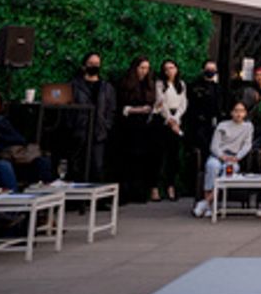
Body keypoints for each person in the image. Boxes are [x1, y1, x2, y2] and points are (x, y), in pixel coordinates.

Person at [0, 87, 52, 185]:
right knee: (6, 166)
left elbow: (20, 139)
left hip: (14, 155)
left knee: (42, 161)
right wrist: (4, 143)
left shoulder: (2, 120)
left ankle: (45, 191)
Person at [193, 101, 254, 218]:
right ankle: (209, 206)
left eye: (242, 111)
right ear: (231, 112)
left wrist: (237, 157)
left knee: (228, 171)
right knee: (212, 167)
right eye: (236, 111)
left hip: (234, 158)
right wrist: (222, 156)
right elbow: (214, 146)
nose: (239, 114)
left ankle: (205, 203)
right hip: (218, 156)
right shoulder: (222, 125)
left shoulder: (248, 127)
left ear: (245, 113)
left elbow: (247, 146)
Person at [116, 57, 157, 203]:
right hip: (128, 126)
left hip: (144, 127)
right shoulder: (125, 84)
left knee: (141, 161)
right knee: (127, 160)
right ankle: (124, 193)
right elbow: (121, 107)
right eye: (142, 68)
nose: (144, 71)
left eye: (147, 68)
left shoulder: (149, 84)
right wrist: (138, 109)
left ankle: (138, 192)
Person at [71, 52, 116, 181]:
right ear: (84, 65)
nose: (94, 66)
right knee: (77, 166)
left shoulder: (106, 87)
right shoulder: (75, 85)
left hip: (99, 132)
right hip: (80, 132)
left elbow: (111, 109)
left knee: (97, 166)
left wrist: (106, 125)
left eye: (97, 64)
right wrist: (74, 124)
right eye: (91, 63)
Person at [186, 59, 227, 196]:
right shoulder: (195, 87)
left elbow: (221, 107)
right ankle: (197, 188)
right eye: (208, 69)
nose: (211, 72)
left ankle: (214, 188)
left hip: (215, 127)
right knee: (200, 157)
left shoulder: (218, 88)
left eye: (213, 69)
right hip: (199, 127)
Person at [152, 58, 188, 201]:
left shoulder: (181, 84)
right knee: (158, 156)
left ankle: (170, 186)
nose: (169, 71)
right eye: (166, 69)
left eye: (172, 68)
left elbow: (183, 103)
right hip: (162, 120)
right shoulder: (160, 84)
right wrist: (170, 120)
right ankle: (155, 188)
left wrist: (176, 118)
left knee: (173, 156)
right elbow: (161, 103)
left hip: (177, 119)